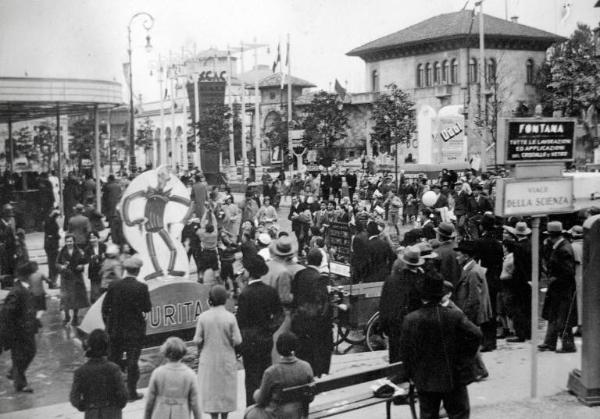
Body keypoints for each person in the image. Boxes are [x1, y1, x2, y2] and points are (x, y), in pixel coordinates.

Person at [399, 271, 482, 419]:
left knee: (428, 414)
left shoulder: (410, 319)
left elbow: (406, 352)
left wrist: (411, 374)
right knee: (459, 414)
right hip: (453, 376)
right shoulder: (454, 315)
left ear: (422, 295)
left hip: (425, 379)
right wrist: (463, 360)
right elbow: (475, 335)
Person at [102, 256, 152, 400]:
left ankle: (114, 393)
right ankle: (132, 392)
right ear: (138, 271)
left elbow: (105, 308)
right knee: (132, 362)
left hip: (116, 330)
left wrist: (109, 325)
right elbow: (147, 308)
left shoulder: (114, 285)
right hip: (134, 331)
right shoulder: (141, 287)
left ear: (126, 270)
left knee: (114, 361)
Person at [237, 254, 283, 406]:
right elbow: (279, 315)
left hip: (249, 341)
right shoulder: (269, 291)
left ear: (249, 272)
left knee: (251, 378)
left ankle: (253, 409)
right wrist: (270, 329)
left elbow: (241, 322)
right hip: (265, 338)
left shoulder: (245, 294)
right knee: (265, 374)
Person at [194, 285, 242, 419]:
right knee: (225, 390)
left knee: (211, 391)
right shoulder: (230, 317)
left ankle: (213, 417)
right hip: (226, 358)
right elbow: (238, 340)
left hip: (208, 359)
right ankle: (225, 417)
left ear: (210, 300)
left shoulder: (203, 317)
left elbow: (197, 339)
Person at [244, 332, 314, 419]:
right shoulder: (306, 367)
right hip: (299, 413)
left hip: (276, 415)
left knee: (249, 412)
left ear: (277, 349)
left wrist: (255, 393)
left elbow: (260, 400)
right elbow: (310, 397)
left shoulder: (271, 372)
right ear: (296, 347)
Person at [453, 240, 492, 381]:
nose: (457, 258)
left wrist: (466, 317)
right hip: (471, 312)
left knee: (470, 342)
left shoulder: (473, 272)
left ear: (466, 256)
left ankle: (480, 370)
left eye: (459, 255)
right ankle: (478, 369)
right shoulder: (470, 269)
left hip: (471, 313)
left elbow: (474, 299)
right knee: (470, 342)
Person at [290, 249, 332, 377]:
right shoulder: (320, 279)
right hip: (314, 324)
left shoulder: (299, 275)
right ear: (320, 262)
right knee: (315, 355)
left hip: (299, 321)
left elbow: (294, 297)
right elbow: (322, 306)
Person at [379, 246, 425, 363]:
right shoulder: (421, 281)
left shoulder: (391, 280)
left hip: (395, 326)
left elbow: (384, 305)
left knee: (395, 358)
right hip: (415, 327)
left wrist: (384, 327)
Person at [0, 262, 41, 392]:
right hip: (19, 333)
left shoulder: (25, 288)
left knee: (30, 352)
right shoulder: (17, 291)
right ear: (27, 276)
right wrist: (10, 332)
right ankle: (20, 383)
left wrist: (35, 320)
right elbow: (7, 313)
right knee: (20, 356)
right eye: (32, 274)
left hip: (27, 330)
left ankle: (15, 372)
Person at [70, 329, 128, 418]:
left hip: (91, 413)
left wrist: (85, 407)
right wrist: (117, 406)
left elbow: (74, 398)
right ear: (106, 347)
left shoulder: (80, 372)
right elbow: (123, 395)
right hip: (112, 412)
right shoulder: (114, 369)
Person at [539, 221, 577, 353]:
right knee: (553, 315)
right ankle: (550, 342)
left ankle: (568, 345)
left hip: (563, 289)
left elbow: (568, 272)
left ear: (550, 235)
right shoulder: (559, 246)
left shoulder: (563, 250)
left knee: (562, 318)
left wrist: (554, 279)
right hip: (558, 289)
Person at [144, 336, 201, 419]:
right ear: (182, 353)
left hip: (160, 413)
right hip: (181, 414)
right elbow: (195, 404)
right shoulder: (190, 374)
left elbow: (149, 401)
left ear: (165, 353)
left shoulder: (158, 373)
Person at [474, 214, 503, 352]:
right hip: (495, 277)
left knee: (485, 310)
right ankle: (492, 340)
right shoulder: (497, 243)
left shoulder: (480, 242)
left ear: (482, 226)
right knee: (493, 309)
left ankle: (487, 341)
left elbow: (476, 260)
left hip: (485, 278)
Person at [57, 233, 89, 326]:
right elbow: (57, 263)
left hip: (76, 277)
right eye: (67, 241)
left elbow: (84, 262)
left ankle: (75, 317)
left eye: (71, 241)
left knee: (76, 298)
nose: (69, 243)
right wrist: (61, 267)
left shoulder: (79, 251)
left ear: (74, 241)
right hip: (66, 278)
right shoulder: (62, 251)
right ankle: (67, 316)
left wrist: (81, 266)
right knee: (66, 298)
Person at [568, 225, 583, 336]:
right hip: (590, 276)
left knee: (578, 301)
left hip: (577, 276)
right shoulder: (591, 244)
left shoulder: (573, 246)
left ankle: (580, 326)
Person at [434, 222, 461, 286]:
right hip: (457, 286)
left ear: (439, 235)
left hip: (444, 287)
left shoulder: (437, 252)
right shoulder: (457, 247)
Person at [85, 231, 106, 303]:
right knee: (95, 289)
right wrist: (94, 258)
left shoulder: (103, 246)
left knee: (102, 287)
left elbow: (106, 257)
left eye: (94, 238)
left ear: (97, 238)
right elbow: (87, 259)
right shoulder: (88, 248)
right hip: (93, 270)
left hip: (102, 269)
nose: (92, 240)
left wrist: (98, 257)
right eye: (90, 238)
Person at [0, 203, 17, 288]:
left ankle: (10, 283)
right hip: (4, 247)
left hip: (12, 247)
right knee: (4, 266)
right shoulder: (1, 222)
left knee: (12, 265)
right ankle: (4, 284)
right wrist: (7, 226)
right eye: (8, 213)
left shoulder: (13, 220)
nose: (10, 215)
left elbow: (14, 233)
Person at [44, 209, 61, 288]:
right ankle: (53, 283)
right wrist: (59, 236)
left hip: (49, 246)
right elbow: (54, 234)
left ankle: (52, 282)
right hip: (52, 246)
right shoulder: (52, 223)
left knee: (51, 265)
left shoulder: (48, 221)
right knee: (54, 265)